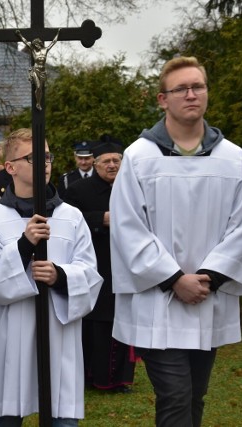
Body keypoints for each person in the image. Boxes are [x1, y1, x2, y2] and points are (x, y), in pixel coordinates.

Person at [110, 56, 242, 427]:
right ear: (163, 99)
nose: (192, 95)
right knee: (175, 397)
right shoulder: (139, 157)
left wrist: (208, 277)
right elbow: (129, 226)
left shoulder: (233, 158)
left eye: (199, 87)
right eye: (182, 89)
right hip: (157, 300)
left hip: (207, 297)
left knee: (194, 395)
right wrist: (175, 278)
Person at [0, 128, 102, 426]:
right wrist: (23, 244)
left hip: (57, 336)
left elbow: (91, 275)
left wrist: (60, 276)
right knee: (6, 416)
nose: (44, 162)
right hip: (9, 337)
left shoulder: (72, 216)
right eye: (33, 157)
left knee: (61, 417)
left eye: (47, 156)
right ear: (10, 167)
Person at [65, 139, 136, 392]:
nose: (112, 165)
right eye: (106, 161)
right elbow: (67, 221)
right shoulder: (78, 190)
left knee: (122, 318)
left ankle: (119, 379)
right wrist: (100, 219)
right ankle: (90, 375)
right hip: (95, 263)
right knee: (95, 322)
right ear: (95, 164)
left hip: (126, 264)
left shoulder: (131, 187)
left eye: (117, 160)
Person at [16, 29, 60, 110]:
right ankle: (38, 103)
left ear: (39, 43)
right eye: (34, 45)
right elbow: (25, 42)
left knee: (41, 89)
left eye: (36, 44)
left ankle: (38, 101)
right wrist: (19, 35)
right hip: (35, 70)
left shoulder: (45, 50)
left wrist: (58, 33)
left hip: (42, 72)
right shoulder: (33, 51)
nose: (36, 46)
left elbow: (53, 42)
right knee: (38, 87)